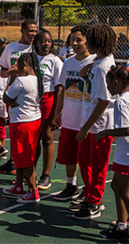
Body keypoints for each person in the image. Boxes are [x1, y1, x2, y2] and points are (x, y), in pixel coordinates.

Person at [71, 23, 117, 220]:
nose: (87, 41)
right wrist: (84, 76)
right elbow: (93, 89)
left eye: (90, 38)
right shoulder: (98, 62)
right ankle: (89, 194)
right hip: (90, 122)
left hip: (100, 126)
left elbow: (104, 100)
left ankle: (94, 202)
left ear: (99, 41)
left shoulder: (105, 65)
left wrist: (86, 127)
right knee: (85, 162)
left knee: (98, 166)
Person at [96, 64, 129, 242]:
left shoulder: (121, 102)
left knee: (126, 192)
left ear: (116, 82)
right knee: (117, 186)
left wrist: (105, 132)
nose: (107, 87)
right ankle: (122, 226)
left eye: (108, 83)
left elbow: (127, 130)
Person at [53, 24, 96, 202]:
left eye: (79, 40)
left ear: (88, 41)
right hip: (69, 118)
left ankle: (88, 190)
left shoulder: (95, 62)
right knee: (69, 155)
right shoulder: (68, 62)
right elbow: (62, 88)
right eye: (73, 39)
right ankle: (71, 186)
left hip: (85, 120)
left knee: (86, 159)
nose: (75, 43)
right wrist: (57, 112)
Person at [0, 20, 38, 174]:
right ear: (22, 31)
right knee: (15, 129)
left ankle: (28, 166)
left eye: (35, 31)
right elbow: (2, 72)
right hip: (13, 93)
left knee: (31, 132)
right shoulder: (11, 48)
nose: (33, 34)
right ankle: (13, 161)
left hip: (31, 95)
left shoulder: (36, 48)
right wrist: (11, 71)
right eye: (30, 31)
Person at [1, 53, 43, 203]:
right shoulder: (38, 79)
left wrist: (12, 77)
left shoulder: (21, 80)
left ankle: (33, 191)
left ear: (24, 63)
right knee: (21, 155)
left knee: (25, 157)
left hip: (22, 122)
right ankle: (19, 185)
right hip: (33, 120)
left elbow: (6, 97)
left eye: (17, 64)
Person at [33, 29, 63, 190]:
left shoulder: (55, 61)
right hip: (31, 101)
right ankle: (31, 173)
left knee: (47, 137)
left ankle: (46, 175)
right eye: (43, 41)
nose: (46, 44)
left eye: (49, 41)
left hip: (48, 100)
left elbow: (59, 87)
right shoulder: (31, 58)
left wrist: (57, 111)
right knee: (33, 139)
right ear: (36, 43)